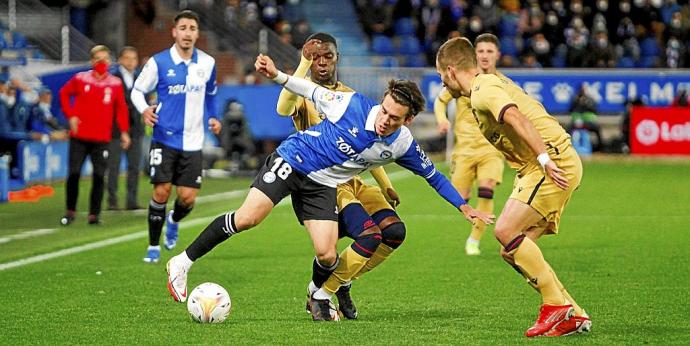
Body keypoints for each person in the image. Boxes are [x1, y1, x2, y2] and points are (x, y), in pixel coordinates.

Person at [165, 53, 494, 322]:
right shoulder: (349, 104)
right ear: (381, 102)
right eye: (385, 111)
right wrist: (277, 73)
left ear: (407, 121)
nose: (385, 120)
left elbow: (433, 176)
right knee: (249, 218)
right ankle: (182, 261)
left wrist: (463, 206)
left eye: (395, 118)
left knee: (326, 254)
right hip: (293, 160)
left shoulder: (402, 144)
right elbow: (308, 90)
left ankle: (318, 294)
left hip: (322, 184)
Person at [435, 37, 590, 337]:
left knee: (505, 231)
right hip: (539, 166)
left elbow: (516, 117)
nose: (443, 83)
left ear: (452, 71)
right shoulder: (484, 87)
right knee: (513, 251)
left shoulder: (483, 90)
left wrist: (545, 159)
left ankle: (555, 306)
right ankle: (573, 313)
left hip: (549, 163)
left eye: (442, 75)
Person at [276, 33, 406, 320]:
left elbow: (369, 146)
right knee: (369, 234)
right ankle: (329, 288)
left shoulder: (350, 96)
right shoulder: (303, 91)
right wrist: (301, 65)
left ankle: (345, 281)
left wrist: (386, 185)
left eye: (328, 57)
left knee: (395, 232)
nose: (321, 63)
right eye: (315, 57)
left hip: (356, 181)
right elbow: (282, 109)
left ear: (337, 59)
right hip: (326, 182)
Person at [131, 10, 222, 263]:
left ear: (197, 33)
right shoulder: (158, 62)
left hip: (193, 141)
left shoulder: (207, 63)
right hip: (164, 138)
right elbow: (137, 91)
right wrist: (144, 109)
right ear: (174, 32)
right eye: (183, 28)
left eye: (192, 28)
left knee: (187, 198)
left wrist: (213, 117)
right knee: (161, 191)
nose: (187, 33)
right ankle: (152, 246)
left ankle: (173, 220)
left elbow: (212, 93)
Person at [433, 33, 505, 256]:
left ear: (497, 55)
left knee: (487, 189)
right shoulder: (462, 80)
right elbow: (439, 101)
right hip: (463, 150)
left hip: (490, 149)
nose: (484, 56)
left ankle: (474, 240)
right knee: (460, 198)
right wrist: (442, 120)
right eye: (480, 51)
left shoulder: (500, 83)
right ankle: (475, 226)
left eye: (489, 51)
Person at [59, 45, 131, 226]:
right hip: (79, 136)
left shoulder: (115, 83)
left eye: (105, 59)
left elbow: (121, 108)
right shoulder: (81, 79)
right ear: (92, 61)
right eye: (98, 59)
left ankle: (94, 215)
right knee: (74, 173)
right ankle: (70, 211)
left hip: (102, 139)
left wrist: (124, 132)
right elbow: (64, 94)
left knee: (99, 175)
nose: (102, 63)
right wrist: (71, 116)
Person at [107, 46, 144, 211]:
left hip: (136, 129)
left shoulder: (141, 78)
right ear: (120, 59)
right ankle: (112, 201)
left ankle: (131, 201)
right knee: (114, 166)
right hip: (115, 130)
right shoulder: (112, 78)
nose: (131, 62)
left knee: (135, 167)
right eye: (127, 58)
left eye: (134, 58)